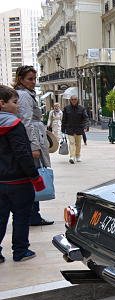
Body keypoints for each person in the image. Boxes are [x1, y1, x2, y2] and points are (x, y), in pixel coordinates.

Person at [0, 85, 46, 262]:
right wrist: (35, 177)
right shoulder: (15, 125)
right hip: (19, 180)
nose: (18, 106)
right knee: (21, 216)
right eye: (14, 102)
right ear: (2, 103)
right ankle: (20, 251)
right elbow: (22, 154)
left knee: (1, 217)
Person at [14, 65, 54, 226]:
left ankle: (33, 213)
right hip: (33, 140)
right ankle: (32, 214)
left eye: (34, 79)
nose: (33, 82)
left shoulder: (26, 94)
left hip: (36, 137)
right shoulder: (23, 95)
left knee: (33, 177)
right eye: (30, 79)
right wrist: (34, 146)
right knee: (34, 176)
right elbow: (27, 122)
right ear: (21, 80)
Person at [61, 95, 89, 164]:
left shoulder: (81, 108)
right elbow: (64, 119)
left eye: (75, 99)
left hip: (79, 128)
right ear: (70, 100)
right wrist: (63, 129)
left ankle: (78, 156)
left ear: (77, 100)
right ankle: (72, 157)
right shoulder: (66, 108)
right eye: (72, 99)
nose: (74, 100)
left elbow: (86, 118)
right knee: (72, 143)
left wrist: (86, 126)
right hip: (70, 128)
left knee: (78, 144)